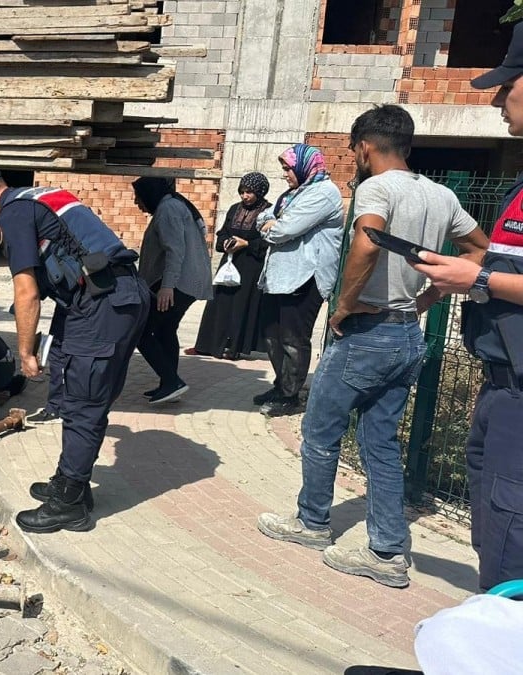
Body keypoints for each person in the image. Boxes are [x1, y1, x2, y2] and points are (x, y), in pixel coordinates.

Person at [257, 105, 487, 589]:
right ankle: (386, 550)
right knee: (380, 442)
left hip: (367, 331)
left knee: (320, 430)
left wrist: (344, 305)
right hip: (407, 333)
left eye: (353, 148)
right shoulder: (441, 195)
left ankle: (312, 523)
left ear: (364, 145)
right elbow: (478, 252)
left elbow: (365, 243)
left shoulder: (376, 188)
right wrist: (428, 296)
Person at [0, 162, 150, 533]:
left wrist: (26, 351)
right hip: (107, 298)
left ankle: (69, 504)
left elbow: (26, 291)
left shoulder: (14, 213)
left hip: (104, 304)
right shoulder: (37, 198)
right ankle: (72, 483)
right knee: (76, 394)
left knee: (84, 403)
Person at [412, 21, 523, 591]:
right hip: (501, 384)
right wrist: (467, 283)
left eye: (509, 85)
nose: (499, 100)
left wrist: (476, 275)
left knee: (510, 543)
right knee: (494, 527)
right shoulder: (520, 186)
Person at [253, 144, 344, 417]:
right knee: (272, 335)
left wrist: (274, 225)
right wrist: (271, 223)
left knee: (293, 338)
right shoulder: (294, 194)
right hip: (279, 277)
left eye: (287, 168)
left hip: (305, 277)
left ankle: (290, 395)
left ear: (305, 166)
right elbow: (263, 218)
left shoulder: (324, 193)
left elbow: (282, 230)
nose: (284, 175)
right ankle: (281, 385)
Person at [133, 177, 214, 404]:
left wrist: (167, 286)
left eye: (138, 197)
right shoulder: (171, 205)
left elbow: (175, 250)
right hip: (185, 282)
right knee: (165, 330)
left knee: (142, 332)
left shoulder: (168, 209)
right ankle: (169, 384)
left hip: (178, 284)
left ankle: (171, 381)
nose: (136, 203)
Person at [191, 172, 273, 360]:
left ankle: (233, 347)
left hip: (251, 266)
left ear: (259, 192)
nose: (245, 196)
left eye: (250, 192)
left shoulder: (269, 212)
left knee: (240, 306)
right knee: (220, 304)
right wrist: (227, 242)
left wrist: (247, 244)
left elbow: (269, 241)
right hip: (229, 262)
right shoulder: (234, 209)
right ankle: (211, 345)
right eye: (242, 192)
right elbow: (223, 233)